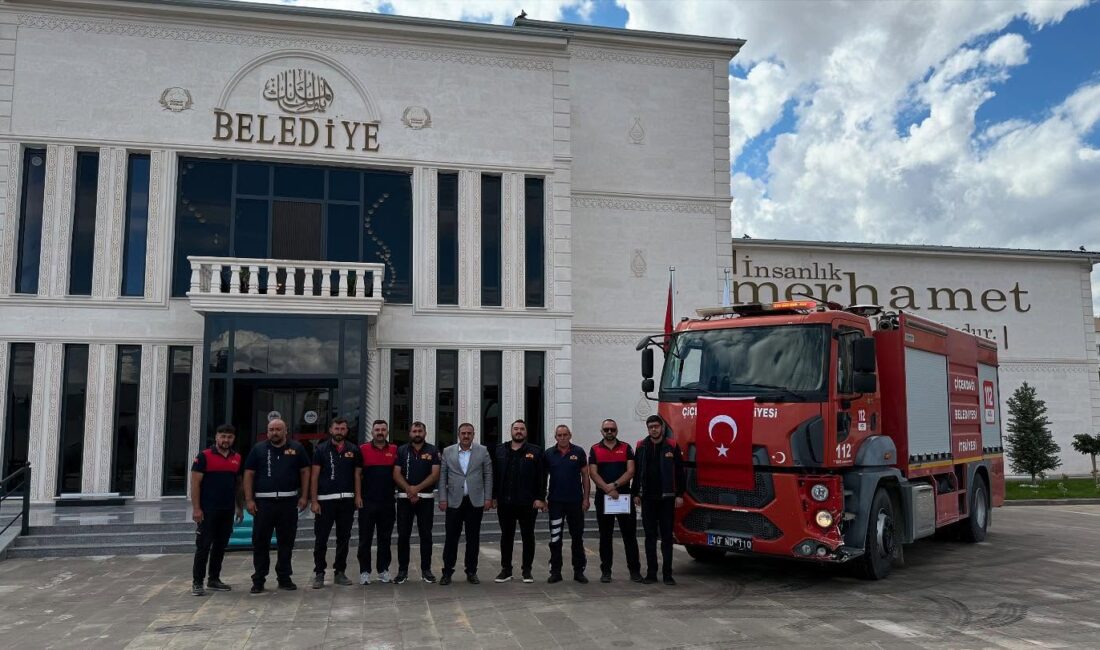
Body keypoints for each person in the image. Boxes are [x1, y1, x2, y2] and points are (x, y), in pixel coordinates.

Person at [243, 418, 310, 593]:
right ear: (267, 431)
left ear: (285, 431)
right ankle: (259, 579)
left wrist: (304, 496)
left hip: (288, 503)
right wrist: (249, 500)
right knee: (260, 542)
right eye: (271, 429)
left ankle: (284, 577)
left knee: (286, 542)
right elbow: (249, 474)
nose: (275, 432)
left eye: (278, 429)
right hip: (263, 503)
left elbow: (305, 471)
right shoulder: (258, 449)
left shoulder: (296, 448)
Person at [190, 424, 244, 596]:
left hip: (227, 510)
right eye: (222, 436)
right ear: (216, 437)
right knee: (203, 547)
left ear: (233, 439)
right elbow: (195, 484)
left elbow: (238, 485)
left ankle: (214, 579)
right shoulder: (203, 457)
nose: (225, 440)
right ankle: (197, 582)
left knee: (220, 547)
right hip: (208, 510)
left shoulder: (237, 458)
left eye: (229, 437)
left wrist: (239, 507)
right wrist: (197, 509)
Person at [437, 423, 493, 585]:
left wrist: (487, 497)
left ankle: (471, 571)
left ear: (474, 435)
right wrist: (442, 498)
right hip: (454, 501)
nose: (466, 436)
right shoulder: (448, 451)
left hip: (475, 501)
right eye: (463, 433)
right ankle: (447, 572)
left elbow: (488, 475)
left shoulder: (482, 451)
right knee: (451, 538)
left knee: (473, 538)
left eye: (469, 433)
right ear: (458, 435)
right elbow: (442, 477)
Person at [309, 417, 362, 589]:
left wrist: (357, 496)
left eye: (343, 429)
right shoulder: (321, 449)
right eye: (337, 428)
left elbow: (357, 475)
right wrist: (314, 500)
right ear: (331, 430)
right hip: (325, 502)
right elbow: (314, 476)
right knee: (321, 539)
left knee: (344, 538)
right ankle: (319, 573)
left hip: (346, 501)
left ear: (347, 431)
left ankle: (340, 571)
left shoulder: (353, 449)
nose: (340, 431)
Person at [589, 418, 642, 583]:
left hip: (623, 496)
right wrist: (607, 489)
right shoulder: (595, 449)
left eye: (612, 429)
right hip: (604, 497)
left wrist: (615, 485)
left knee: (629, 536)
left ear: (616, 431)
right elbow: (593, 473)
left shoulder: (626, 448)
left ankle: (634, 571)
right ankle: (606, 571)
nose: (609, 432)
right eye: (606, 430)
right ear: (602, 431)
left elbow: (631, 470)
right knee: (605, 536)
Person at [633, 415, 685, 585]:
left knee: (667, 537)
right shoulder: (641, 446)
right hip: (648, 498)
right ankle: (651, 573)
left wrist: (679, 494)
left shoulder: (672, 446)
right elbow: (636, 471)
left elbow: (680, 472)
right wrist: (636, 494)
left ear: (662, 427)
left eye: (656, 426)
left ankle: (668, 574)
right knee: (649, 537)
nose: (653, 429)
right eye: (650, 427)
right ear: (647, 429)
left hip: (667, 499)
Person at [492, 419, 545, 583]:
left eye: (522, 429)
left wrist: (540, 498)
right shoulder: (500, 450)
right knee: (506, 536)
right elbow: (494, 475)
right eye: (516, 429)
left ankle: (527, 571)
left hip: (527, 503)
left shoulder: (535, 451)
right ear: (511, 431)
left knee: (528, 536)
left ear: (526, 432)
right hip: (505, 502)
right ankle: (506, 570)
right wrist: (494, 496)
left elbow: (542, 477)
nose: (519, 431)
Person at [392, 421, 441, 584]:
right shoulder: (401, 450)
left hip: (425, 499)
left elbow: (435, 475)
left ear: (425, 433)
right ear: (410, 433)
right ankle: (402, 571)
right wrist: (409, 490)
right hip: (405, 500)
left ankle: (426, 570)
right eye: (415, 431)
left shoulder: (433, 450)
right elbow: (396, 474)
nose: (417, 433)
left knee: (426, 535)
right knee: (403, 536)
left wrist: (417, 489)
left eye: (420, 431)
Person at [544, 424, 590, 583]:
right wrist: (543, 498)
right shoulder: (549, 453)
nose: (562, 437)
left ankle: (579, 571)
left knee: (577, 537)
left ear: (570, 435)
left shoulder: (578, 452)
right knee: (555, 538)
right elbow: (543, 477)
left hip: (575, 503)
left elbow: (585, 475)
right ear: (555, 437)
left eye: (565, 434)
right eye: (559, 435)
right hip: (556, 503)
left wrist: (586, 498)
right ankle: (555, 571)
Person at [358, 419, 398, 585]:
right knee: (365, 539)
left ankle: (383, 570)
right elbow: (357, 475)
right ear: (372, 432)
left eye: (383, 429)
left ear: (387, 432)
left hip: (387, 502)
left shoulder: (395, 450)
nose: (380, 432)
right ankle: (365, 571)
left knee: (385, 538)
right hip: (367, 502)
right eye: (377, 429)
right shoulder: (362, 449)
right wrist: (358, 496)